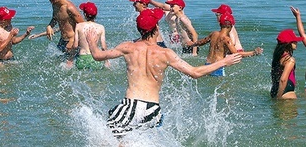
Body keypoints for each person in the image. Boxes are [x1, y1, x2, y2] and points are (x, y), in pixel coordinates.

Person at [85, 8, 242, 138]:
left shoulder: (128, 47)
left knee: (111, 139)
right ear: (157, 29)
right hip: (152, 109)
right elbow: (194, 72)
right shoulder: (165, 53)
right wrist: (223, 62)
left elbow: (98, 56)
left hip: (129, 105)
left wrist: (92, 42)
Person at [46, 0, 85, 64]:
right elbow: (55, 18)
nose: (52, 2)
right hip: (62, 40)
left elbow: (83, 26)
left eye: (53, 0)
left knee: (70, 66)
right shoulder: (55, 4)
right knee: (57, 64)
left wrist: (73, 40)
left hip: (73, 42)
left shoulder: (69, 8)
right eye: (50, 0)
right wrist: (49, 26)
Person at [72, 2, 110, 70]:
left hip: (82, 59)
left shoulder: (79, 26)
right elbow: (103, 47)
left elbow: (75, 45)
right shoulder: (101, 27)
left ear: (85, 14)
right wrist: (106, 61)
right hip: (96, 59)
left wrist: (70, 60)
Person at [270, 29, 303, 99]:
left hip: (274, 90)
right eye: (294, 41)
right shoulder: (290, 60)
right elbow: (283, 80)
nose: (297, 42)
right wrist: (278, 97)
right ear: (289, 44)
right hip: (286, 94)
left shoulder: (278, 56)